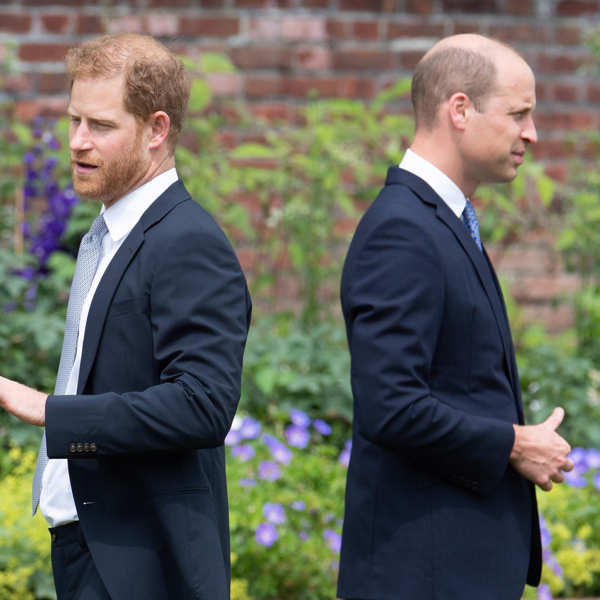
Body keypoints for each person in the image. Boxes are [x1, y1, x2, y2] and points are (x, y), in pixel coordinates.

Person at [0, 33, 251, 600]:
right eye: (74, 121)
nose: (78, 142)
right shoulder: (110, 233)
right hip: (90, 550)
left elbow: (204, 405)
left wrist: (50, 412)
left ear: (156, 130)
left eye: (101, 126)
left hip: (143, 566)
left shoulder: (188, 241)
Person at [337, 33, 573, 600]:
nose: (531, 134)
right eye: (519, 114)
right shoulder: (403, 231)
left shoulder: (439, 221)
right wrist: (514, 444)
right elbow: (389, 405)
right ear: (460, 110)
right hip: (422, 574)